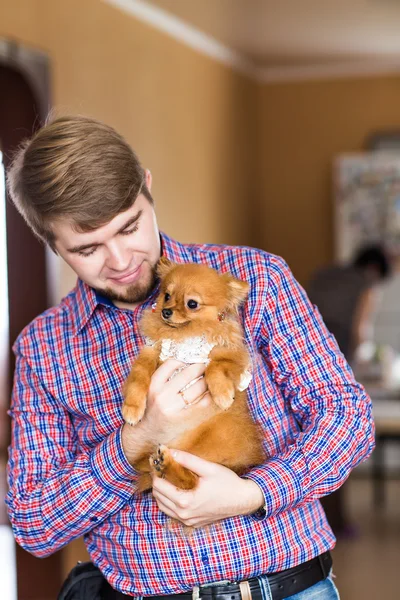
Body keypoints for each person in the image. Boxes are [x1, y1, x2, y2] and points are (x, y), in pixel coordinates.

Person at [5, 116, 374, 600]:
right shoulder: (44, 348)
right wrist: (137, 440)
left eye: (130, 226)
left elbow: (348, 417)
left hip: (289, 589)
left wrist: (253, 493)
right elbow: (33, 522)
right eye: (87, 248)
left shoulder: (252, 278)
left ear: (148, 188)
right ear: (51, 243)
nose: (120, 260)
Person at [307, 245, 390, 536]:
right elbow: (360, 330)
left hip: (303, 364)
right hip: (335, 363)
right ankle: (338, 522)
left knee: (308, 438)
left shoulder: (324, 275)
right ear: (376, 269)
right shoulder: (366, 284)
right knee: (337, 440)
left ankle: (319, 519)